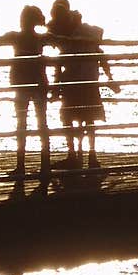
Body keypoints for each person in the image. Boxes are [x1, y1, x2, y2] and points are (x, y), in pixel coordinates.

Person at [0, 5, 52, 178]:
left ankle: (21, 165)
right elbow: (66, 40)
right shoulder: (40, 38)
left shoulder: (16, 37)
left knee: (22, 124)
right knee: (41, 123)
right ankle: (45, 164)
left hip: (22, 84)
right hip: (39, 83)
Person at [52, 11, 119, 169]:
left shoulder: (69, 36)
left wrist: (56, 85)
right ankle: (91, 155)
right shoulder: (91, 35)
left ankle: (73, 154)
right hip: (89, 81)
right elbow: (100, 54)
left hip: (74, 82)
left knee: (69, 118)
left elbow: (61, 61)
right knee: (89, 120)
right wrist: (109, 76)